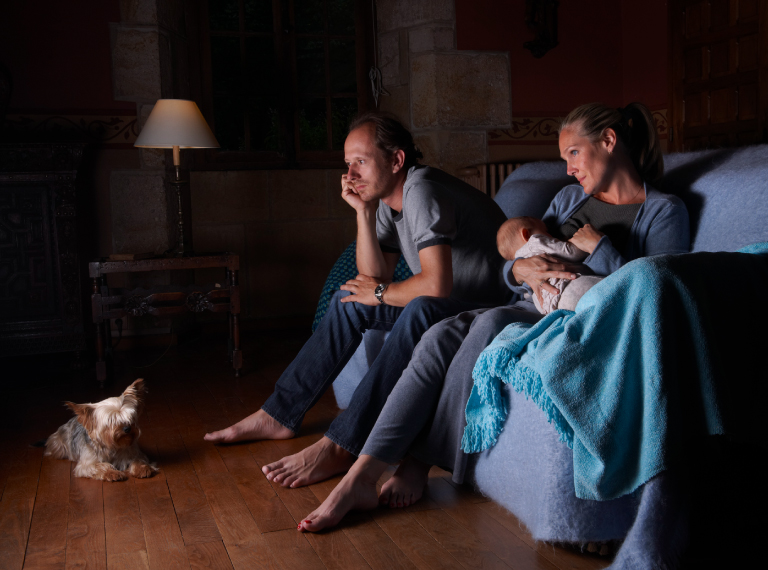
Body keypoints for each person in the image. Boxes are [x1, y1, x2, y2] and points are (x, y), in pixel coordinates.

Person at [295, 101, 691, 532]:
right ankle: (361, 475)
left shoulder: (663, 211)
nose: (568, 169)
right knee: (438, 335)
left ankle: (418, 460)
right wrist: (520, 268)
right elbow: (516, 264)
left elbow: (654, 293)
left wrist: (601, 248)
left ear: (609, 142)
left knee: (481, 326)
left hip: (577, 315)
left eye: (573, 154)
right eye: (564, 159)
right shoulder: (567, 200)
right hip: (523, 302)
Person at [204, 112, 510, 488]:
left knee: (417, 306)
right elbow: (374, 279)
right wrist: (363, 214)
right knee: (349, 300)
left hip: (487, 310)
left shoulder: (422, 190)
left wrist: (379, 292)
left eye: (361, 162)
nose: (350, 174)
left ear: (397, 160)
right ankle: (280, 414)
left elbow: (436, 287)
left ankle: (343, 444)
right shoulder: (386, 201)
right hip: (449, 305)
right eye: (347, 164)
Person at [496, 216, 604, 313]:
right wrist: (590, 243)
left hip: (551, 308)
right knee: (606, 290)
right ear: (526, 234)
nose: (550, 236)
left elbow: (528, 294)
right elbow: (571, 252)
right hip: (570, 288)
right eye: (546, 231)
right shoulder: (535, 242)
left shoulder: (523, 265)